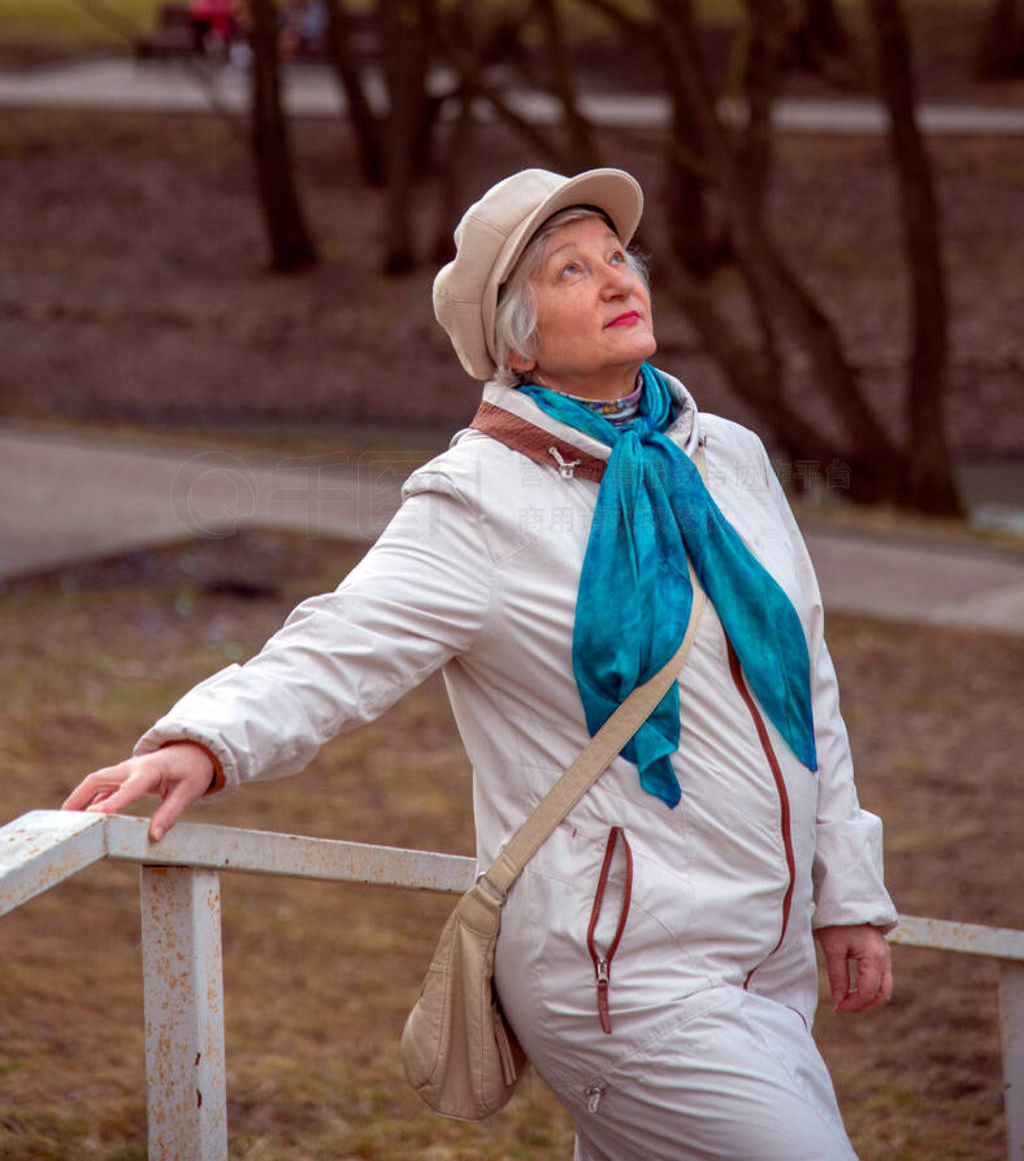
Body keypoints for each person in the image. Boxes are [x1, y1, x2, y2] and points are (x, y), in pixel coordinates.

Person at [64, 167, 896, 1160]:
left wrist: (845, 888)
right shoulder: (476, 498)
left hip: (767, 960)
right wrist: (203, 739)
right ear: (514, 337)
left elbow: (804, 678)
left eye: (617, 256)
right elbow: (339, 645)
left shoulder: (728, 457)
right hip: (616, 975)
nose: (614, 278)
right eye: (569, 270)